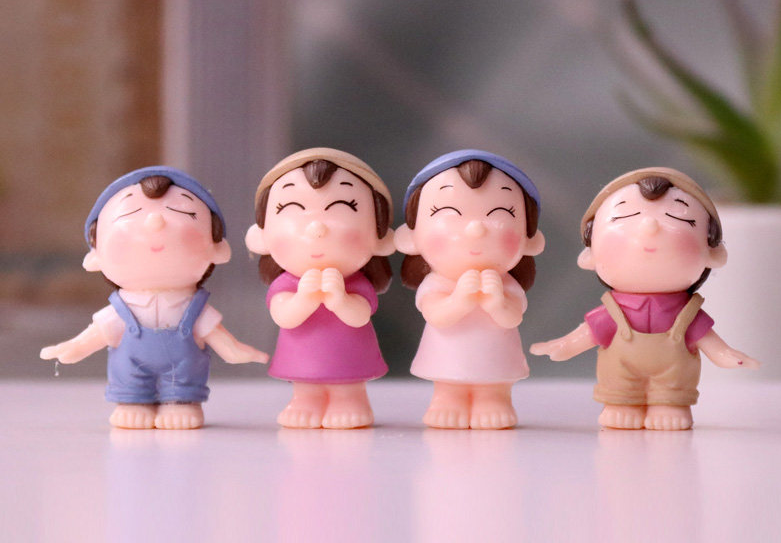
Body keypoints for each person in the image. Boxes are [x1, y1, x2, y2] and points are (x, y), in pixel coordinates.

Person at [530, 167, 759, 430]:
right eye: (626, 217)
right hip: (620, 378)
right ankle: (621, 405)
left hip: (673, 380)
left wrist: (727, 356)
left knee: (671, 396)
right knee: (620, 395)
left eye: (676, 217)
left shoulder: (687, 313)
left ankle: (670, 407)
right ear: (590, 255)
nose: (650, 227)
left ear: (713, 253)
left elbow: (710, 342)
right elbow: (588, 334)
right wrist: (564, 345)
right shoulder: (613, 311)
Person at [40, 166, 268, 429]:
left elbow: (218, 336)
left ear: (217, 250)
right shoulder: (121, 309)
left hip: (183, 373)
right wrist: (74, 348)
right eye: (130, 214)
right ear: (95, 256)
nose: (155, 222)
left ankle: (182, 403)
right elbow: (97, 334)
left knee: (183, 384)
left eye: (181, 212)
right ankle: (132, 403)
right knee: (130, 385)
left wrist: (235, 351)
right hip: (131, 372)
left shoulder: (194, 308)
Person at [246, 148, 394, 429]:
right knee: (305, 387)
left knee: (348, 385)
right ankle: (305, 401)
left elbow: (360, 316)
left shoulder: (354, 283)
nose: (316, 228)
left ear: (378, 235)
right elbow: (283, 316)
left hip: (349, 355)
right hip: (302, 356)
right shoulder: (288, 284)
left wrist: (340, 300)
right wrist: (303, 299)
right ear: (261, 235)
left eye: (343, 207)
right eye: (291, 208)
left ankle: (351, 401)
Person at [396, 149, 545, 429]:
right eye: (448, 213)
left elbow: (512, 317)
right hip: (448, 357)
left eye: (500, 213)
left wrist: (497, 302)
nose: (476, 229)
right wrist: (459, 300)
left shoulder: (506, 284)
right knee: (448, 386)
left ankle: (495, 400)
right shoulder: (438, 282)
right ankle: (446, 400)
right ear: (411, 237)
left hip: (495, 357)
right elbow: (436, 316)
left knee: (494, 386)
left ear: (530, 239)